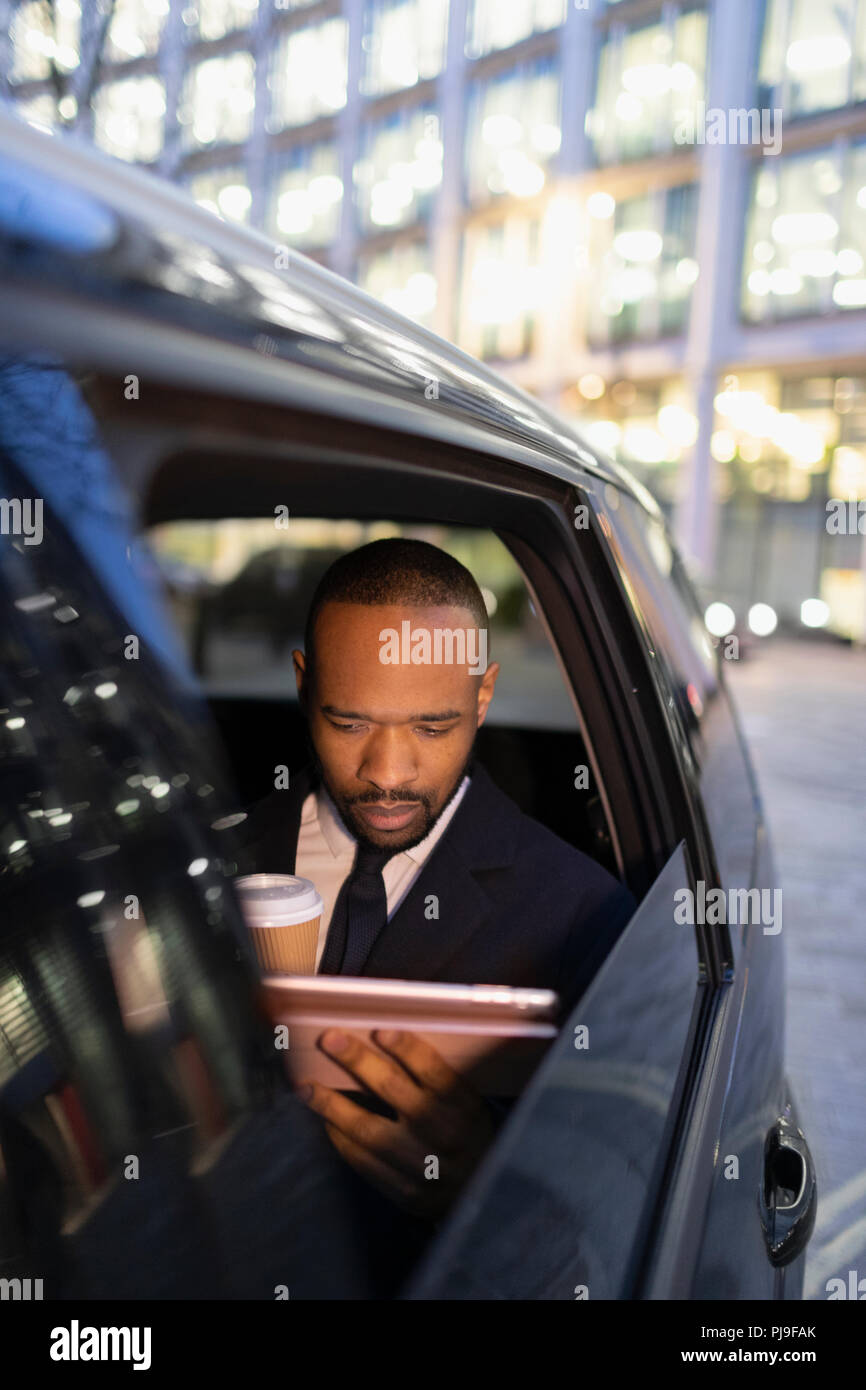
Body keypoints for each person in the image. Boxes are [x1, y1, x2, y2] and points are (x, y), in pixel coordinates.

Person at [237, 538, 635, 1224]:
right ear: (304, 686)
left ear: (483, 698)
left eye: (432, 725)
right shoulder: (212, 860)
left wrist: (494, 1189)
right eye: (350, 721)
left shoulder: (586, 916)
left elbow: (618, 1198)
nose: (389, 773)